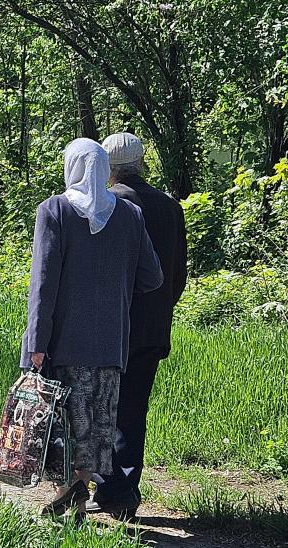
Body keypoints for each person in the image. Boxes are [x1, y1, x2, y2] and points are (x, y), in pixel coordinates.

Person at [22, 138, 163, 521]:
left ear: (73, 167)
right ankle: (79, 501)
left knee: (62, 425)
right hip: (111, 344)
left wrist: (35, 342)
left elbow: (44, 284)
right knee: (97, 425)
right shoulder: (130, 215)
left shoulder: (54, 210)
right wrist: (114, 284)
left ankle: (69, 494)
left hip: (63, 341)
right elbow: (152, 277)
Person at [87, 132, 188, 519]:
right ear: (142, 162)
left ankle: (108, 488)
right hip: (154, 327)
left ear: (107, 168)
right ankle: (124, 489)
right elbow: (178, 274)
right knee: (133, 409)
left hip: (115, 327)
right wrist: (161, 310)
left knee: (102, 406)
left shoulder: (112, 205)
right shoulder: (170, 206)